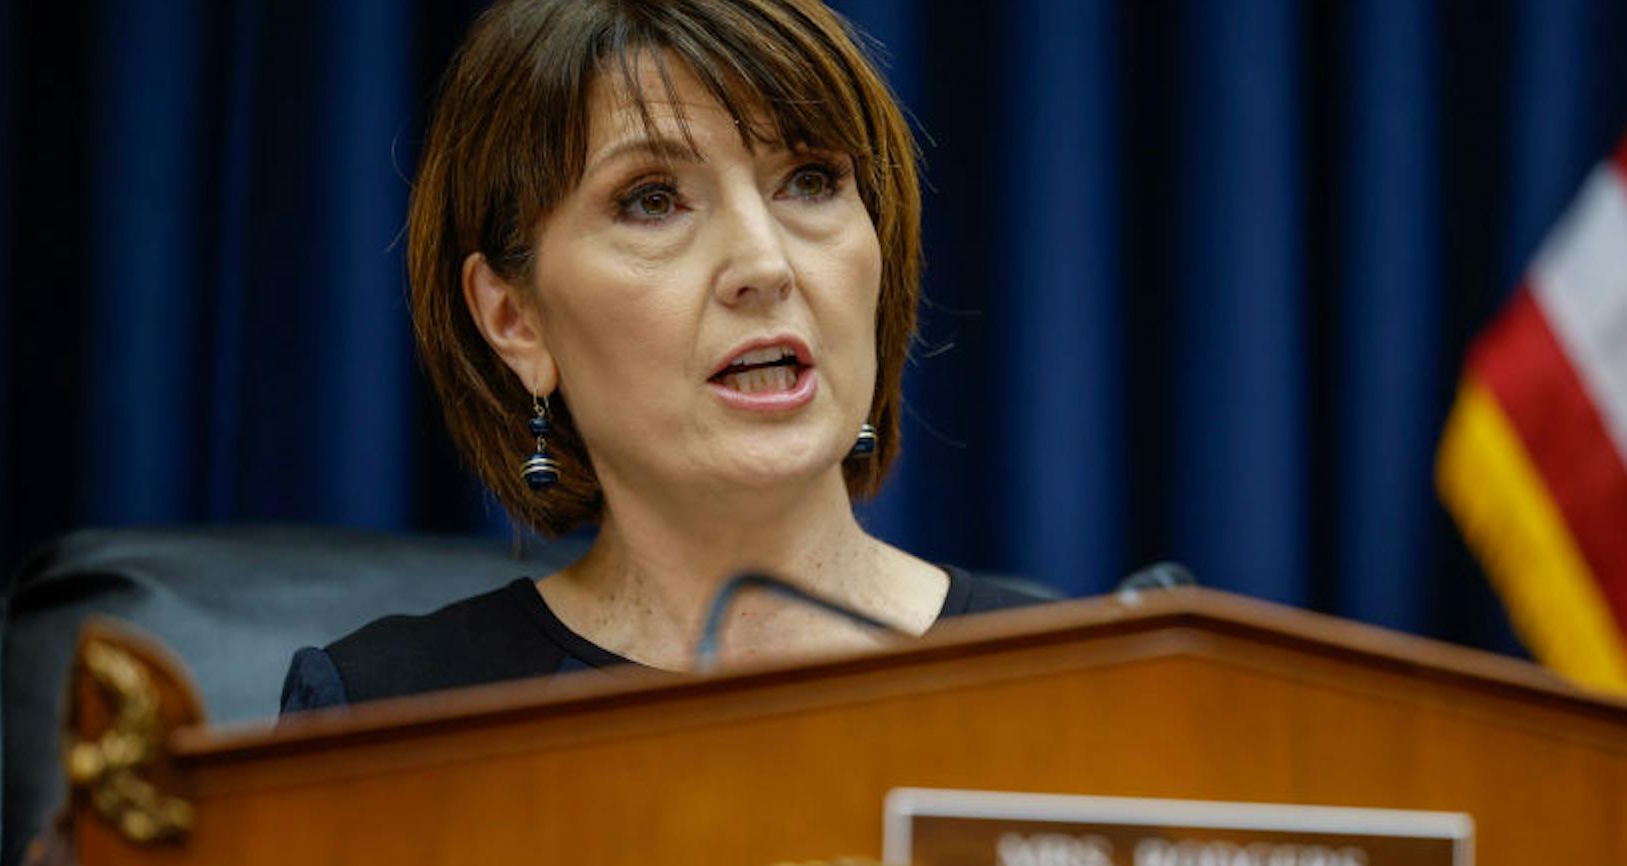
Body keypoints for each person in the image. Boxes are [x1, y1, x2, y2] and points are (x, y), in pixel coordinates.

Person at [280, 0, 1050, 713]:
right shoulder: (389, 714)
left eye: (809, 181)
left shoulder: (1095, 674)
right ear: (515, 320)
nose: (765, 265)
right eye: (652, 199)